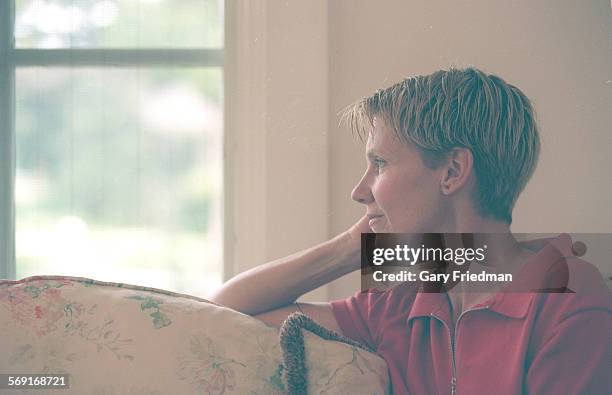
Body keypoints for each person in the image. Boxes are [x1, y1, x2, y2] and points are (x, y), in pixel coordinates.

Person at [207, 67, 611, 394]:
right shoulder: (401, 302)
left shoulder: (568, 301)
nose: (359, 190)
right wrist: (354, 247)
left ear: (452, 172)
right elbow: (225, 312)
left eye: (379, 163)